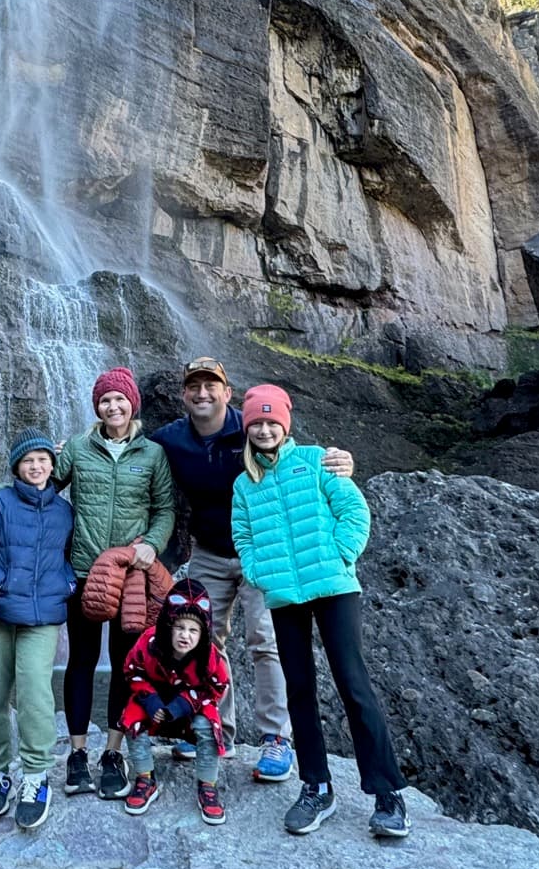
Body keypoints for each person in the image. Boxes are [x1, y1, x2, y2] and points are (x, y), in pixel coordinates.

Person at [148, 358, 353, 783]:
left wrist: (340, 462)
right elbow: (128, 452)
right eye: (194, 387)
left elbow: (296, 457)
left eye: (212, 386)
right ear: (184, 394)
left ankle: (277, 738)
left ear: (227, 393)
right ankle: (214, 727)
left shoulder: (250, 428)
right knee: (201, 638)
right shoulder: (169, 439)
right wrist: (59, 459)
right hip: (208, 551)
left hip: (264, 552)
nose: (203, 394)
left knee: (266, 640)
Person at [230, 384, 409, 840]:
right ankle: (316, 786)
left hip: (333, 588)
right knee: (300, 689)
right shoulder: (244, 483)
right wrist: (260, 574)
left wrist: (340, 555)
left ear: (285, 425)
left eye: (272, 421)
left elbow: (355, 511)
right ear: (247, 428)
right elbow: (243, 536)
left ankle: (387, 794)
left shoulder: (315, 461)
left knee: (353, 683)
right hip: (284, 595)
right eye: (257, 422)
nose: (265, 429)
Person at [2, 368, 174, 799]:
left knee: (123, 663)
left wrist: (152, 543)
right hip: (81, 572)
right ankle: (78, 754)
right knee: (81, 660)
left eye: (119, 399)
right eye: (104, 401)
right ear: (96, 406)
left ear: (132, 403)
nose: (112, 407)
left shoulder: (153, 455)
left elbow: (165, 508)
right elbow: (39, 487)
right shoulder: (77, 448)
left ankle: (112, 753)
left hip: (130, 577)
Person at [0, 431, 76, 832]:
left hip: (42, 616)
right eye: (29, 461)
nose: (37, 467)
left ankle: (35, 776)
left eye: (44, 460)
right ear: (16, 467)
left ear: (52, 465)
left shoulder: (64, 512)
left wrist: (68, 585)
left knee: (34, 694)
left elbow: (72, 556)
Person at [117, 579, 232, 825]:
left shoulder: (208, 656)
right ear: (168, 625)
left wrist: (182, 705)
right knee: (131, 717)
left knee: (208, 726)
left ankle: (208, 785)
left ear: (203, 633)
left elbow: (218, 686)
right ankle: (145, 778)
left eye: (193, 630)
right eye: (179, 627)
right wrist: (151, 702)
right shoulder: (148, 644)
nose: (185, 636)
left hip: (190, 708)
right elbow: (131, 670)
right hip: (154, 704)